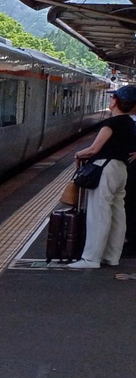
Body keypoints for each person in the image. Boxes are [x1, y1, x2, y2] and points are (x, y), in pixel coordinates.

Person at [68, 84, 136, 268]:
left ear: (115, 102)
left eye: (112, 97)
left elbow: (94, 149)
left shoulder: (111, 123)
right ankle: (112, 257)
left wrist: (78, 154)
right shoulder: (130, 123)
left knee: (99, 214)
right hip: (121, 170)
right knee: (117, 215)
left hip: (105, 170)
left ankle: (91, 259)